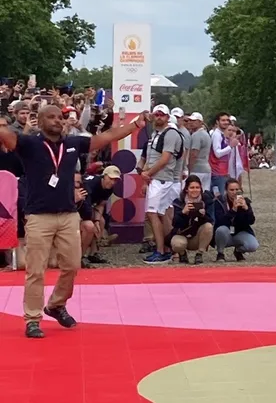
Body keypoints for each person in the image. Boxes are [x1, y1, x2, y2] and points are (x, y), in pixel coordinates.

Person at [0, 104, 144, 338]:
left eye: (61, 117)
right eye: (52, 117)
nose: (59, 120)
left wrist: (135, 126)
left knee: (72, 266)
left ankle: (56, 304)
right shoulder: (29, 144)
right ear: (40, 120)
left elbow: (106, 137)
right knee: (36, 270)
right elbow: (5, 135)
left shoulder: (73, 144)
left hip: (68, 215)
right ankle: (33, 319)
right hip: (38, 216)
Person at [138, 105, 186, 264]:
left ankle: (161, 251)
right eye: (156, 114)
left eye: (162, 115)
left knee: (153, 213)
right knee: (160, 214)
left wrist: (148, 173)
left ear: (167, 117)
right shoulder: (158, 133)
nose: (158, 117)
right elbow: (152, 157)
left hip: (163, 179)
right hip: (160, 179)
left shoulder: (170, 134)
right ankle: (169, 249)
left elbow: (165, 160)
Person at [169, 175, 214, 264]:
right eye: (192, 187)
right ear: (186, 189)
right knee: (177, 244)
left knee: (208, 226)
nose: (195, 190)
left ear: (201, 188)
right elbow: (175, 224)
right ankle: (182, 254)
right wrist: (183, 213)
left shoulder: (206, 200)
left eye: (197, 187)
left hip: (198, 236)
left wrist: (203, 216)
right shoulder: (179, 202)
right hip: (182, 234)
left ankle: (199, 254)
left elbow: (212, 220)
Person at [211, 178, 258, 261]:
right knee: (221, 230)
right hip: (225, 232)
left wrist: (246, 209)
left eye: (237, 189)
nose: (234, 192)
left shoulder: (245, 201)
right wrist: (233, 210)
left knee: (253, 246)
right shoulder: (219, 202)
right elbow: (220, 221)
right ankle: (220, 253)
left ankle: (238, 251)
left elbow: (251, 221)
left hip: (240, 232)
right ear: (226, 190)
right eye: (231, 190)